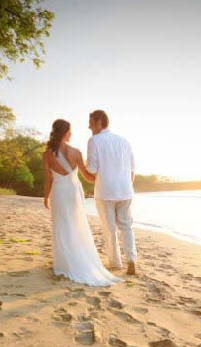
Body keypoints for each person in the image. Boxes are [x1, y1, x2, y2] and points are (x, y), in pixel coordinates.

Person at [42, 119, 121, 286]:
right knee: (76, 224)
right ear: (65, 133)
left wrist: (46, 197)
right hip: (73, 191)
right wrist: (105, 179)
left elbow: (48, 179)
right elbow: (86, 175)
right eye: (70, 131)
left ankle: (64, 262)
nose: (71, 134)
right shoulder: (76, 152)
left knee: (61, 224)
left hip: (58, 191)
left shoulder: (47, 154)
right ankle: (76, 259)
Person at [86, 110, 138, 275]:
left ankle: (116, 263)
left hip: (105, 192)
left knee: (109, 229)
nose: (89, 126)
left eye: (91, 122)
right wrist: (127, 186)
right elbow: (132, 170)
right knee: (127, 227)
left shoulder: (94, 140)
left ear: (99, 122)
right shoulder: (124, 141)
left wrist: (80, 165)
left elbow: (92, 169)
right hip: (126, 191)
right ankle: (131, 260)